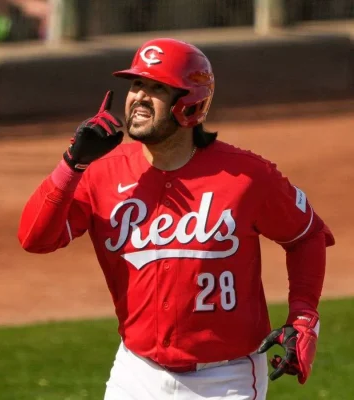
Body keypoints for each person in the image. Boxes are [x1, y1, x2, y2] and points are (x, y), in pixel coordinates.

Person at [18, 38, 335, 399]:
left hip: (225, 380)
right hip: (136, 373)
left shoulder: (247, 176)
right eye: (137, 84)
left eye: (157, 88)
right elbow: (35, 239)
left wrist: (303, 316)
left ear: (190, 104)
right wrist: (72, 163)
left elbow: (307, 236)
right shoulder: (102, 173)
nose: (139, 97)